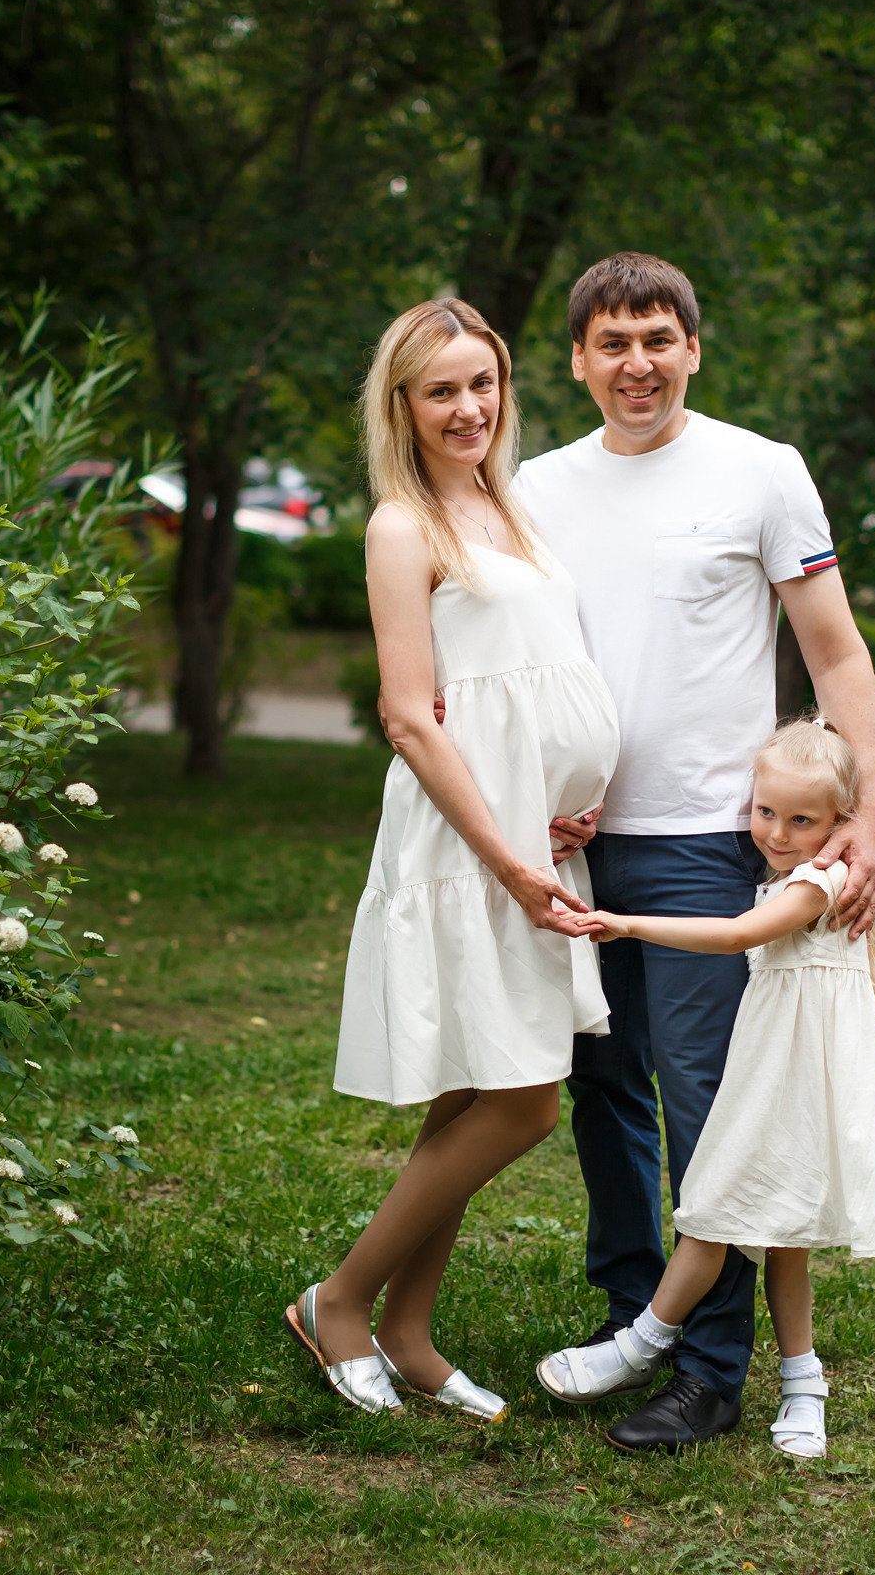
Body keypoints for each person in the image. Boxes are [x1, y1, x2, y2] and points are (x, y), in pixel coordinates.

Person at [523, 252, 875, 1452]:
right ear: (577, 358)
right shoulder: (532, 487)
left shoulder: (761, 472)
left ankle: (711, 1370)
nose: (637, 364)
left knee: (710, 1109)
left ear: (694, 348)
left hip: (704, 841)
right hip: (578, 842)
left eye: (658, 340)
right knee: (601, 1091)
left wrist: (864, 818)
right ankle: (639, 1310)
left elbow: (835, 655)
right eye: (612, 343)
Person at [284, 298, 620, 1419]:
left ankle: (411, 1334)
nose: (468, 407)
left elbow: (537, 673)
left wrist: (574, 799)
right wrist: (515, 852)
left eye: (483, 383)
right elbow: (412, 717)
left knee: (480, 1082)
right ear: (404, 407)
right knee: (523, 1102)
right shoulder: (402, 527)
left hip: (537, 838)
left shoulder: (510, 508)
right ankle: (337, 1301)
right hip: (471, 840)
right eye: (442, 390)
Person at [536, 720, 875, 1459]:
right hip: (771, 1074)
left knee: (711, 1214)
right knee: (769, 1236)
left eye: (804, 820)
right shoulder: (786, 875)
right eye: (766, 812)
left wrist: (626, 924)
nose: (779, 833)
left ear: (841, 822)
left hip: (785, 1086)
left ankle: (641, 1344)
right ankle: (803, 1385)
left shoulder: (816, 881)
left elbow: (736, 938)